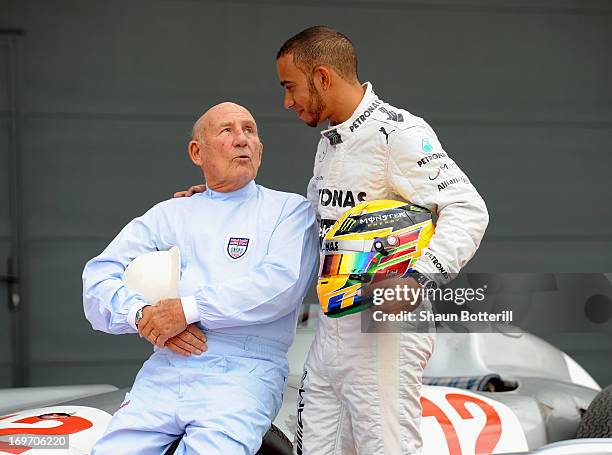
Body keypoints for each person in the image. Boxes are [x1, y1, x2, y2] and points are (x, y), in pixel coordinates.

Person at [177, 26, 489, 455]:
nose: (287, 102)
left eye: (291, 86)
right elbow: (315, 224)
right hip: (332, 327)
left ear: (322, 77)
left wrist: (417, 279)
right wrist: (220, 198)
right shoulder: (333, 141)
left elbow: (467, 208)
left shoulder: (398, 133)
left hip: (385, 331)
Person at [82, 102, 318, 454]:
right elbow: (98, 278)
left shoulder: (289, 210)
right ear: (197, 152)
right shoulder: (171, 213)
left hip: (245, 372)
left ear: (260, 149)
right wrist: (142, 316)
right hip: (166, 366)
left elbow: (279, 286)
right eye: (227, 130)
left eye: (250, 131)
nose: (242, 140)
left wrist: (186, 310)